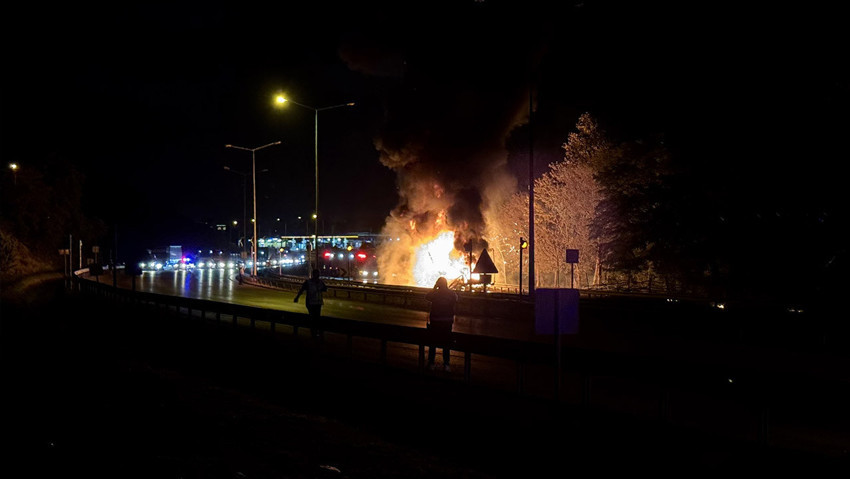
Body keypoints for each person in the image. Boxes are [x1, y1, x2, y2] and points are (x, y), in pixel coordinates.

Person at [425, 276, 458, 372]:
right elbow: (457, 299)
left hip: (435, 321)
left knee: (433, 343)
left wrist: (435, 287)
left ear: (438, 284)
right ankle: (446, 365)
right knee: (446, 344)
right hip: (447, 322)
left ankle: (431, 363)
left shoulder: (435, 293)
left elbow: (426, 296)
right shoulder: (452, 294)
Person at [294, 269, 328, 340]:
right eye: (317, 274)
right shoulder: (308, 282)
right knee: (313, 318)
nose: (318, 276)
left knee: (317, 318)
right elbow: (302, 289)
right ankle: (313, 333)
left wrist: (321, 289)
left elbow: (325, 289)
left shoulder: (320, 282)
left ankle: (316, 333)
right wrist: (297, 297)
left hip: (318, 303)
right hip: (311, 303)